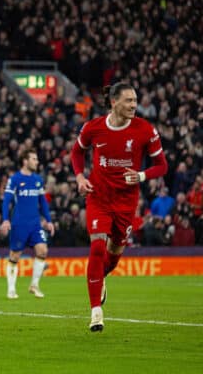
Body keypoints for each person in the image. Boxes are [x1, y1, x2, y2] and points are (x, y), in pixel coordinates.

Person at [70, 82, 167, 332]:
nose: (134, 105)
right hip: (99, 198)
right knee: (97, 247)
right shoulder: (94, 128)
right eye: (128, 100)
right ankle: (95, 312)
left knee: (112, 257)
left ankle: (101, 278)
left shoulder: (145, 130)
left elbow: (162, 165)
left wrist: (142, 176)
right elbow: (76, 152)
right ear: (114, 102)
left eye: (135, 100)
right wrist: (80, 178)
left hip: (126, 203)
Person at [0, 148, 55, 299]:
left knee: (42, 250)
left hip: (35, 224)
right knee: (15, 256)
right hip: (19, 223)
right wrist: (5, 219)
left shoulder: (37, 180)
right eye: (34, 159)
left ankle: (34, 285)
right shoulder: (15, 179)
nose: (36, 162)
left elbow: (42, 202)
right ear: (25, 161)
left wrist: (48, 221)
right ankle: (11, 289)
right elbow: (6, 200)